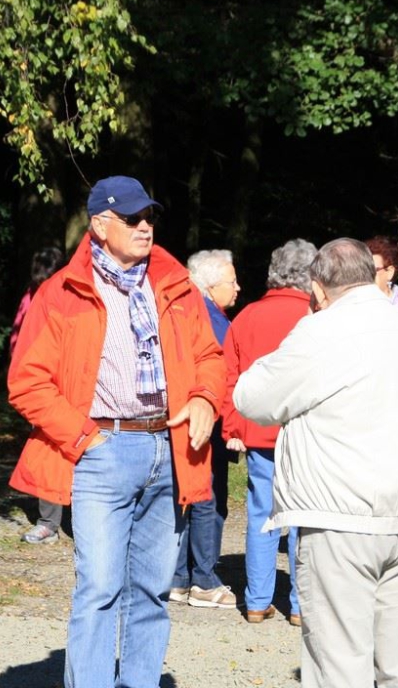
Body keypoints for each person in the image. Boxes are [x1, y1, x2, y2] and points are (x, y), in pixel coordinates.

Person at [7, 175, 226, 688]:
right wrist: (85, 438)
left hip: (171, 453)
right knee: (99, 588)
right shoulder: (60, 292)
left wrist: (203, 398)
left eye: (149, 216)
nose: (145, 226)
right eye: (132, 218)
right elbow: (26, 382)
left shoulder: (175, 284)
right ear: (100, 225)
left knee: (151, 592)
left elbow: (210, 357)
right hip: (101, 452)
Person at [233, 238, 398, 687]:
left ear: (318, 286)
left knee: (338, 663)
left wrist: (304, 327)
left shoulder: (322, 330)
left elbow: (252, 397)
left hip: (342, 519)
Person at [221, 238, 317, 626]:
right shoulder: (315, 317)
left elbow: (229, 377)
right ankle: (300, 605)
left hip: (259, 432)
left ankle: (257, 602)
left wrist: (233, 425)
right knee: (305, 517)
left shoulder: (246, 316)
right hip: (307, 433)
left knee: (263, 513)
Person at [169, 249, 240, 608]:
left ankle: (180, 577)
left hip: (183, 417)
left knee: (188, 496)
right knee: (207, 499)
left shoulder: (181, 311)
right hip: (207, 419)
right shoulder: (212, 321)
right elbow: (222, 378)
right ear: (211, 285)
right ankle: (204, 580)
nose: (238, 287)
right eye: (232, 281)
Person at [11, 246, 67, 545]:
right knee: (47, 451)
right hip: (41, 387)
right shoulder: (30, 297)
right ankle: (49, 522)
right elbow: (18, 339)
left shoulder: (73, 296)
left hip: (71, 387)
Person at [364, 235, 398, 320]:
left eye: (373, 271)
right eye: (362, 271)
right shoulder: (351, 307)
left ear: (390, 272)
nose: (366, 276)